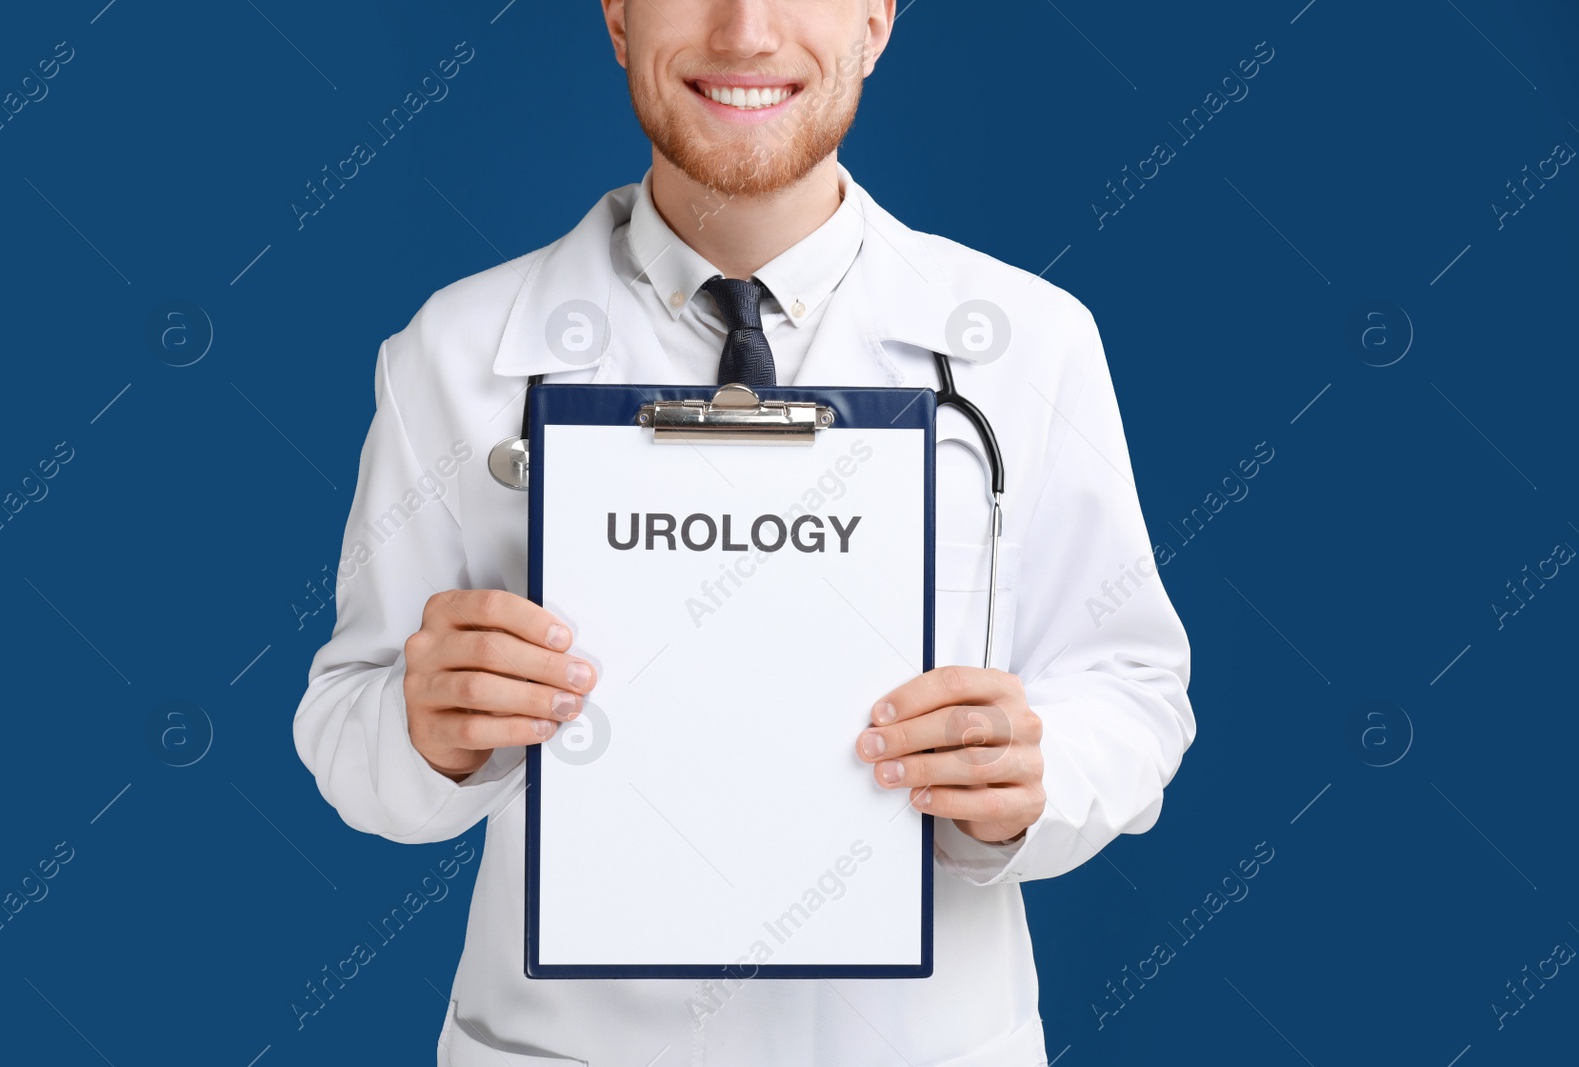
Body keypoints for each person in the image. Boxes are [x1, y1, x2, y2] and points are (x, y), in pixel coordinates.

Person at [293, 2, 1196, 1063]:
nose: (745, 30)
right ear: (618, 15)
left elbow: (1133, 691)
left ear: (875, 18)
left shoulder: (1026, 346)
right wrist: (423, 725)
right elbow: (343, 719)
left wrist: (1035, 774)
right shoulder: (454, 353)